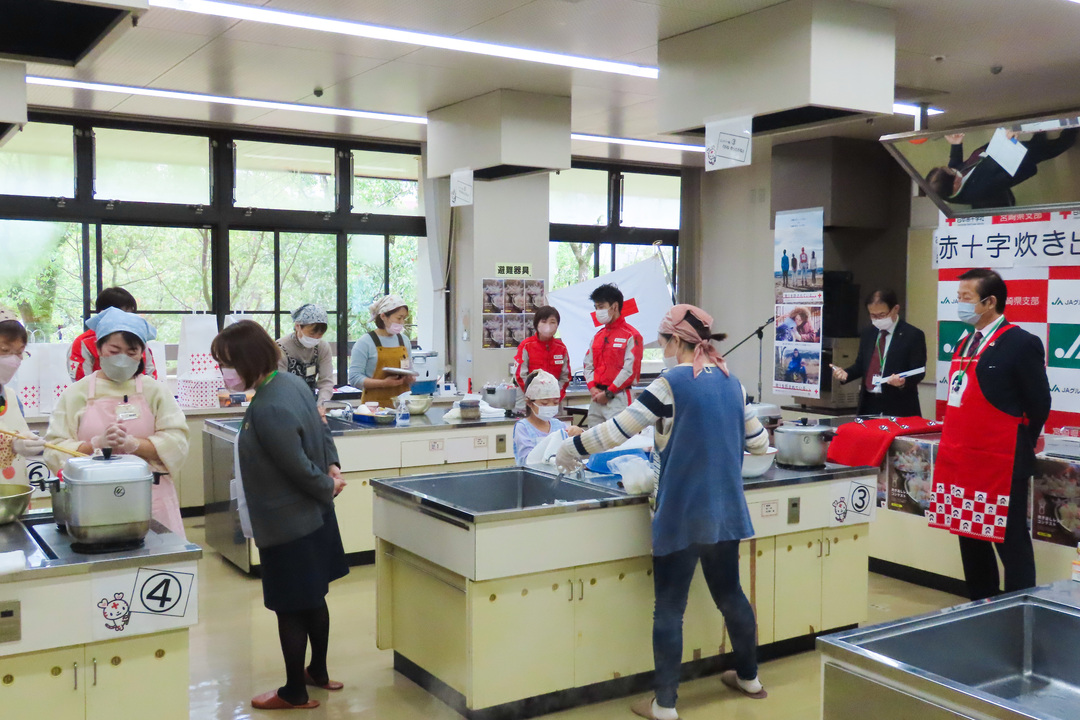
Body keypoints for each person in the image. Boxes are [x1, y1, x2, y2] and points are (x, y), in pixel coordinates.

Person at [555, 304, 770, 720]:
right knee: (731, 595)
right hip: (726, 509)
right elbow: (759, 443)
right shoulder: (733, 382)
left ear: (675, 341)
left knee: (670, 607)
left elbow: (617, 431)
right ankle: (749, 679)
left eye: (663, 338)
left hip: (681, 512)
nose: (661, 344)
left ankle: (665, 704)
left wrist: (571, 447)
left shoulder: (670, 384)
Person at [211, 320, 348, 711]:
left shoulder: (268, 405)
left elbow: (295, 466)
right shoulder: (291, 384)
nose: (224, 372)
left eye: (227, 363)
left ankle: (294, 692)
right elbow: (321, 427)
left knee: (289, 607)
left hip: (289, 524)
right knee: (314, 598)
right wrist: (333, 467)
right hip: (314, 518)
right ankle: (317, 671)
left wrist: (325, 484)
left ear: (249, 360)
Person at [931, 269, 1050, 601]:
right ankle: (980, 603)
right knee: (969, 535)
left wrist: (1019, 442)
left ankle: (1019, 608)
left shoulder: (1021, 343)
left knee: (1010, 542)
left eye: (966, 298)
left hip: (1002, 460)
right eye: (958, 297)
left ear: (990, 301)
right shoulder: (965, 341)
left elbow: (1039, 403)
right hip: (964, 458)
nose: (960, 304)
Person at [45, 308, 188, 537]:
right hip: (92, 500)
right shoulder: (76, 393)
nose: (123, 359)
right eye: (114, 350)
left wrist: (134, 444)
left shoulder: (156, 391)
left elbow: (177, 442)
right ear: (99, 348)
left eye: (132, 352)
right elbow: (54, 448)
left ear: (142, 353)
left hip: (151, 497)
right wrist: (95, 445)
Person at [925, 129, 1078, 209]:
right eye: (953, 172)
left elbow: (954, 165)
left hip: (993, 153)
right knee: (1048, 149)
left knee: (1035, 144)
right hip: (1016, 160)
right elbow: (1010, 175)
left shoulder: (943, 190)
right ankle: (1071, 133)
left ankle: (1039, 135)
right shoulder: (979, 191)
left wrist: (956, 145)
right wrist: (1010, 146)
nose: (953, 169)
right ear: (955, 185)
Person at [831, 289, 926, 417]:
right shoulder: (868, 333)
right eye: (873, 315)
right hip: (869, 403)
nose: (877, 319)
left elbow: (919, 371)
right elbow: (861, 365)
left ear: (895, 309)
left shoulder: (912, 335)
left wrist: (903, 382)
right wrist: (846, 373)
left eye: (882, 315)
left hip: (899, 405)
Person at [584, 284, 643, 428]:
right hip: (596, 398)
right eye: (596, 307)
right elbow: (588, 365)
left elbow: (630, 371)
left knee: (618, 439)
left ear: (615, 306)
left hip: (618, 397)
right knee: (592, 438)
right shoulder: (598, 336)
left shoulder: (631, 335)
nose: (598, 311)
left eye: (601, 306)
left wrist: (609, 393)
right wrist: (592, 388)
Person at [68, 287, 158, 381]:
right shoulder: (84, 343)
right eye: (114, 351)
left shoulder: (138, 339)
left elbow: (151, 374)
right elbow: (82, 382)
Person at [0, 308, 46, 482]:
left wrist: (30, 443)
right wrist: (11, 444)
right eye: (4, 350)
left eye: (19, 352)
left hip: (14, 493)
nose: (13, 360)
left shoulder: (11, 398)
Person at [348, 295, 412, 407]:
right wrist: (384, 383)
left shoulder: (404, 341)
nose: (402, 322)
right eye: (399, 318)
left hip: (402, 407)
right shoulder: (365, 342)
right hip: (374, 408)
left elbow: (409, 368)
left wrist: (410, 377)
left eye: (404, 318)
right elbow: (354, 378)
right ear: (383, 316)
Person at [513, 370, 583, 465]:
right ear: (529, 402)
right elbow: (528, 461)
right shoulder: (523, 428)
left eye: (555, 402)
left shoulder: (559, 425)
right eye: (544, 403)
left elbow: (574, 453)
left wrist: (579, 435)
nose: (551, 406)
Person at [277, 304, 335, 413]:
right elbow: (278, 386)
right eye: (312, 334)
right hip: (284, 406)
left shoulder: (322, 347)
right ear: (298, 326)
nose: (316, 338)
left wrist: (321, 404)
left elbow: (326, 382)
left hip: (311, 404)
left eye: (320, 335)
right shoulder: (281, 349)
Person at [513, 306, 570, 401]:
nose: (548, 326)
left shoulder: (561, 348)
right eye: (544, 322)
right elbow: (520, 375)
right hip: (528, 399)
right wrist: (534, 396)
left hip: (554, 400)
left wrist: (556, 396)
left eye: (552, 322)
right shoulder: (526, 345)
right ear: (537, 324)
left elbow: (565, 377)